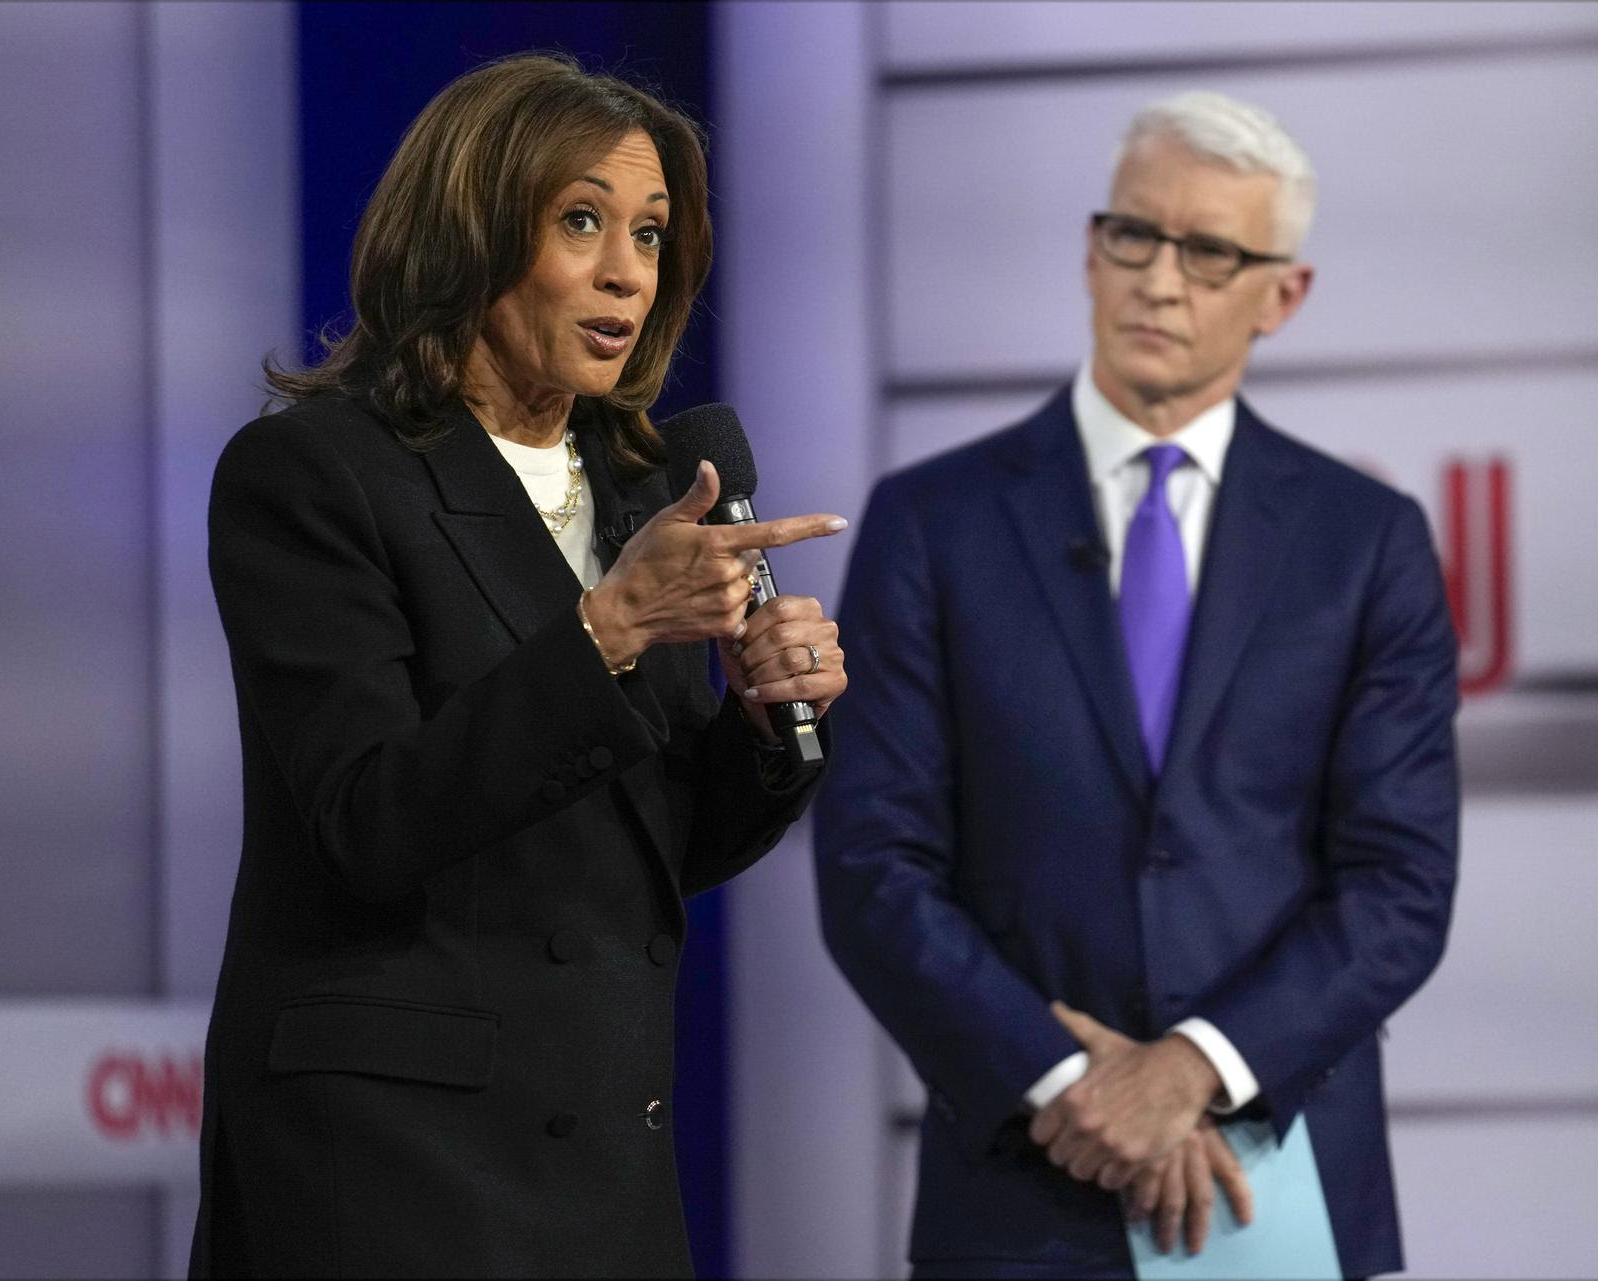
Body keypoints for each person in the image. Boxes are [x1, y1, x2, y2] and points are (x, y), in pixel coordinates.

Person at [190, 54, 847, 1278]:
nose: (626, 274)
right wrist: (604, 633)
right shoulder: (316, 476)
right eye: (582, 222)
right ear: (470, 232)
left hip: (606, 1158)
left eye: (650, 235)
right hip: (394, 1162)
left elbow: (633, 852)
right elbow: (367, 819)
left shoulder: (641, 486)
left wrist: (761, 727)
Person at [815, 89, 1458, 1279]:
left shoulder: (1365, 541)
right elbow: (871, 864)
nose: (1160, 280)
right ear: (1089, 250)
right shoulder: (932, 525)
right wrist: (1076, 1086)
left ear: (1284, 295)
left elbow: (1402, 886)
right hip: (1020, 1188)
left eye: (1210, 252)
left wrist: (1191, 1072)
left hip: (1275, 1188)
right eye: (1133, 236)